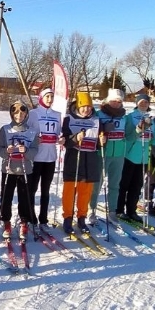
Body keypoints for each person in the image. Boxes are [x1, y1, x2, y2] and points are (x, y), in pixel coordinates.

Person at [61, 91, 105, 233]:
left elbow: (100, 143)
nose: (86, 109)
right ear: (78, 106)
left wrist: (103, 141)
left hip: (90, 161)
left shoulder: (97, 121)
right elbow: (65, 141)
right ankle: (67, 218)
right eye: (83, 106)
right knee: (69, 191)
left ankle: (81, 218)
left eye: (89, 107)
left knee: (85, 192)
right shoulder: (69, 119)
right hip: (73, 160)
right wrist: (75, 138)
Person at [0, 101, 40, 240]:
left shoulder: (32, 131)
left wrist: (26, 150)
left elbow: (35, 151)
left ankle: (24, 222)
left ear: (26, 114)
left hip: (26, 170)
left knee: (25, 198)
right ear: (11, 114)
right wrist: (6, 151)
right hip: (9, 169)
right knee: (6, 197)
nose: (19, 116)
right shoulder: (5, 129)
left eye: (22, 113)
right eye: (15, 113)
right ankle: (6, 222)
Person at [27, 87, 63, 235]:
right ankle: (31, 218)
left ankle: (43, 219)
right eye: (47, 96)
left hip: (50, 157)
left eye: (52, 97)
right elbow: (26, 131)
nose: (49, 99)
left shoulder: (57, 115)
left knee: (46, 190)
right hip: (36, 157)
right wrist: (34, 138)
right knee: (32, 189)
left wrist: (61, 138)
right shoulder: (33, 113)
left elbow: (59, 132)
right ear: (41, 97)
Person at [116, 93, 153, 223]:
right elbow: (127, 136)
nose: (143, 104)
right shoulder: (130, 117)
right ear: (136, 103)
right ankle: (119, 210)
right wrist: (138, 130)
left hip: (143, 158)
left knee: (137, 186)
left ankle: (131, 210)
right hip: (129, 155)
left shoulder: (150, 118)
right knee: (124, 184)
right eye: (141, 102)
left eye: (146, 102)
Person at [91, 88, 126, 223]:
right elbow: (91, 130)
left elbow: (129, 134)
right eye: (113, 101)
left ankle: (112, 210)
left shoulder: (124, 116)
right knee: (97, 184)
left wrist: (140, 129)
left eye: (118, 101)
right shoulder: (99, 114)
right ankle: (92, 209)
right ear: (107, 101)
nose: (116, 103)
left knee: (114, 184)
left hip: (118, 154)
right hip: (102, 153)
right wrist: (103, 129)